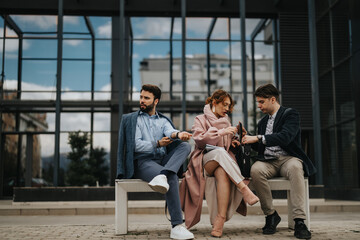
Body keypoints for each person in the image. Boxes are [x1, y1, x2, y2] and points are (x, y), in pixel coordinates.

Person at [116, 84, 194, 240]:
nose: (142, 101)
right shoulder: (134, 119)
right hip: (143, 162)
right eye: (141, 97)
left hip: (162, 161)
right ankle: (177, 226)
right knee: (171, 177)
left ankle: (163, 174)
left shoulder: (163, 120)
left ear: (156, 101)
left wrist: (179, 134)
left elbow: (170, 132)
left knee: (185, 146)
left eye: (146, 98)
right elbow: (135, 144)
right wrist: (157, 144)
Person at [180, 89, 259, 238]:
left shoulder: (226, 121)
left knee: (222, 170)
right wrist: (222, 133)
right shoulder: (200, 119)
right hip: (203, 162)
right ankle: (243, 188)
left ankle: (219, 221)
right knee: (220, 153)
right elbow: (200, 141)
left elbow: (225, 146)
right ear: (214, 102)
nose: (227, 109)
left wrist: (234, 141)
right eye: (225, 105)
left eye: (229, 106)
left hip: (221, 163)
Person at [242, 84, 316, 239]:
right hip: (268, 161)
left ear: (273, 99)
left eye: (261, 102)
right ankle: (271, 215)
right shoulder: (262, 122)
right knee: (255, 170)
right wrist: (247, 138)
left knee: (296, 167)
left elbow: (285, 137)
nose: (259, 106)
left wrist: (258, 137)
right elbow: (261, 145)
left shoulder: (290, 114)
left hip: (288, 159)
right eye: (258, 102)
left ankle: (299, 221)